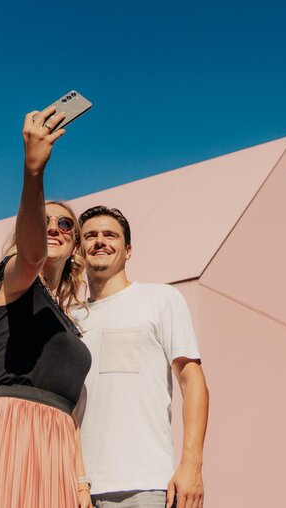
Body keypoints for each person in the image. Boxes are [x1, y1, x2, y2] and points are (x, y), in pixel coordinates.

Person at [0, 106, 94, 508]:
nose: (54, 227)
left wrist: (80, 483)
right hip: (14, 430)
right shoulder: (13, 280)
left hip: (58, 444)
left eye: (65, 224)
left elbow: (71, 408)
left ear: (75, 245)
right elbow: (30, 258)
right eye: (44, 219)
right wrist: (34, 172)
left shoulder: (68, 323)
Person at [74, 206, 209, 508]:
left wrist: (192, 466)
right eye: (90, 236)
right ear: (79, 250)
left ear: (129, 250)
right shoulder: (69, 319)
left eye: (110, 235)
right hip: (76, 489)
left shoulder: (161, 299)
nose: (100, 241)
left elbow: (192, 383)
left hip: (145, 485)